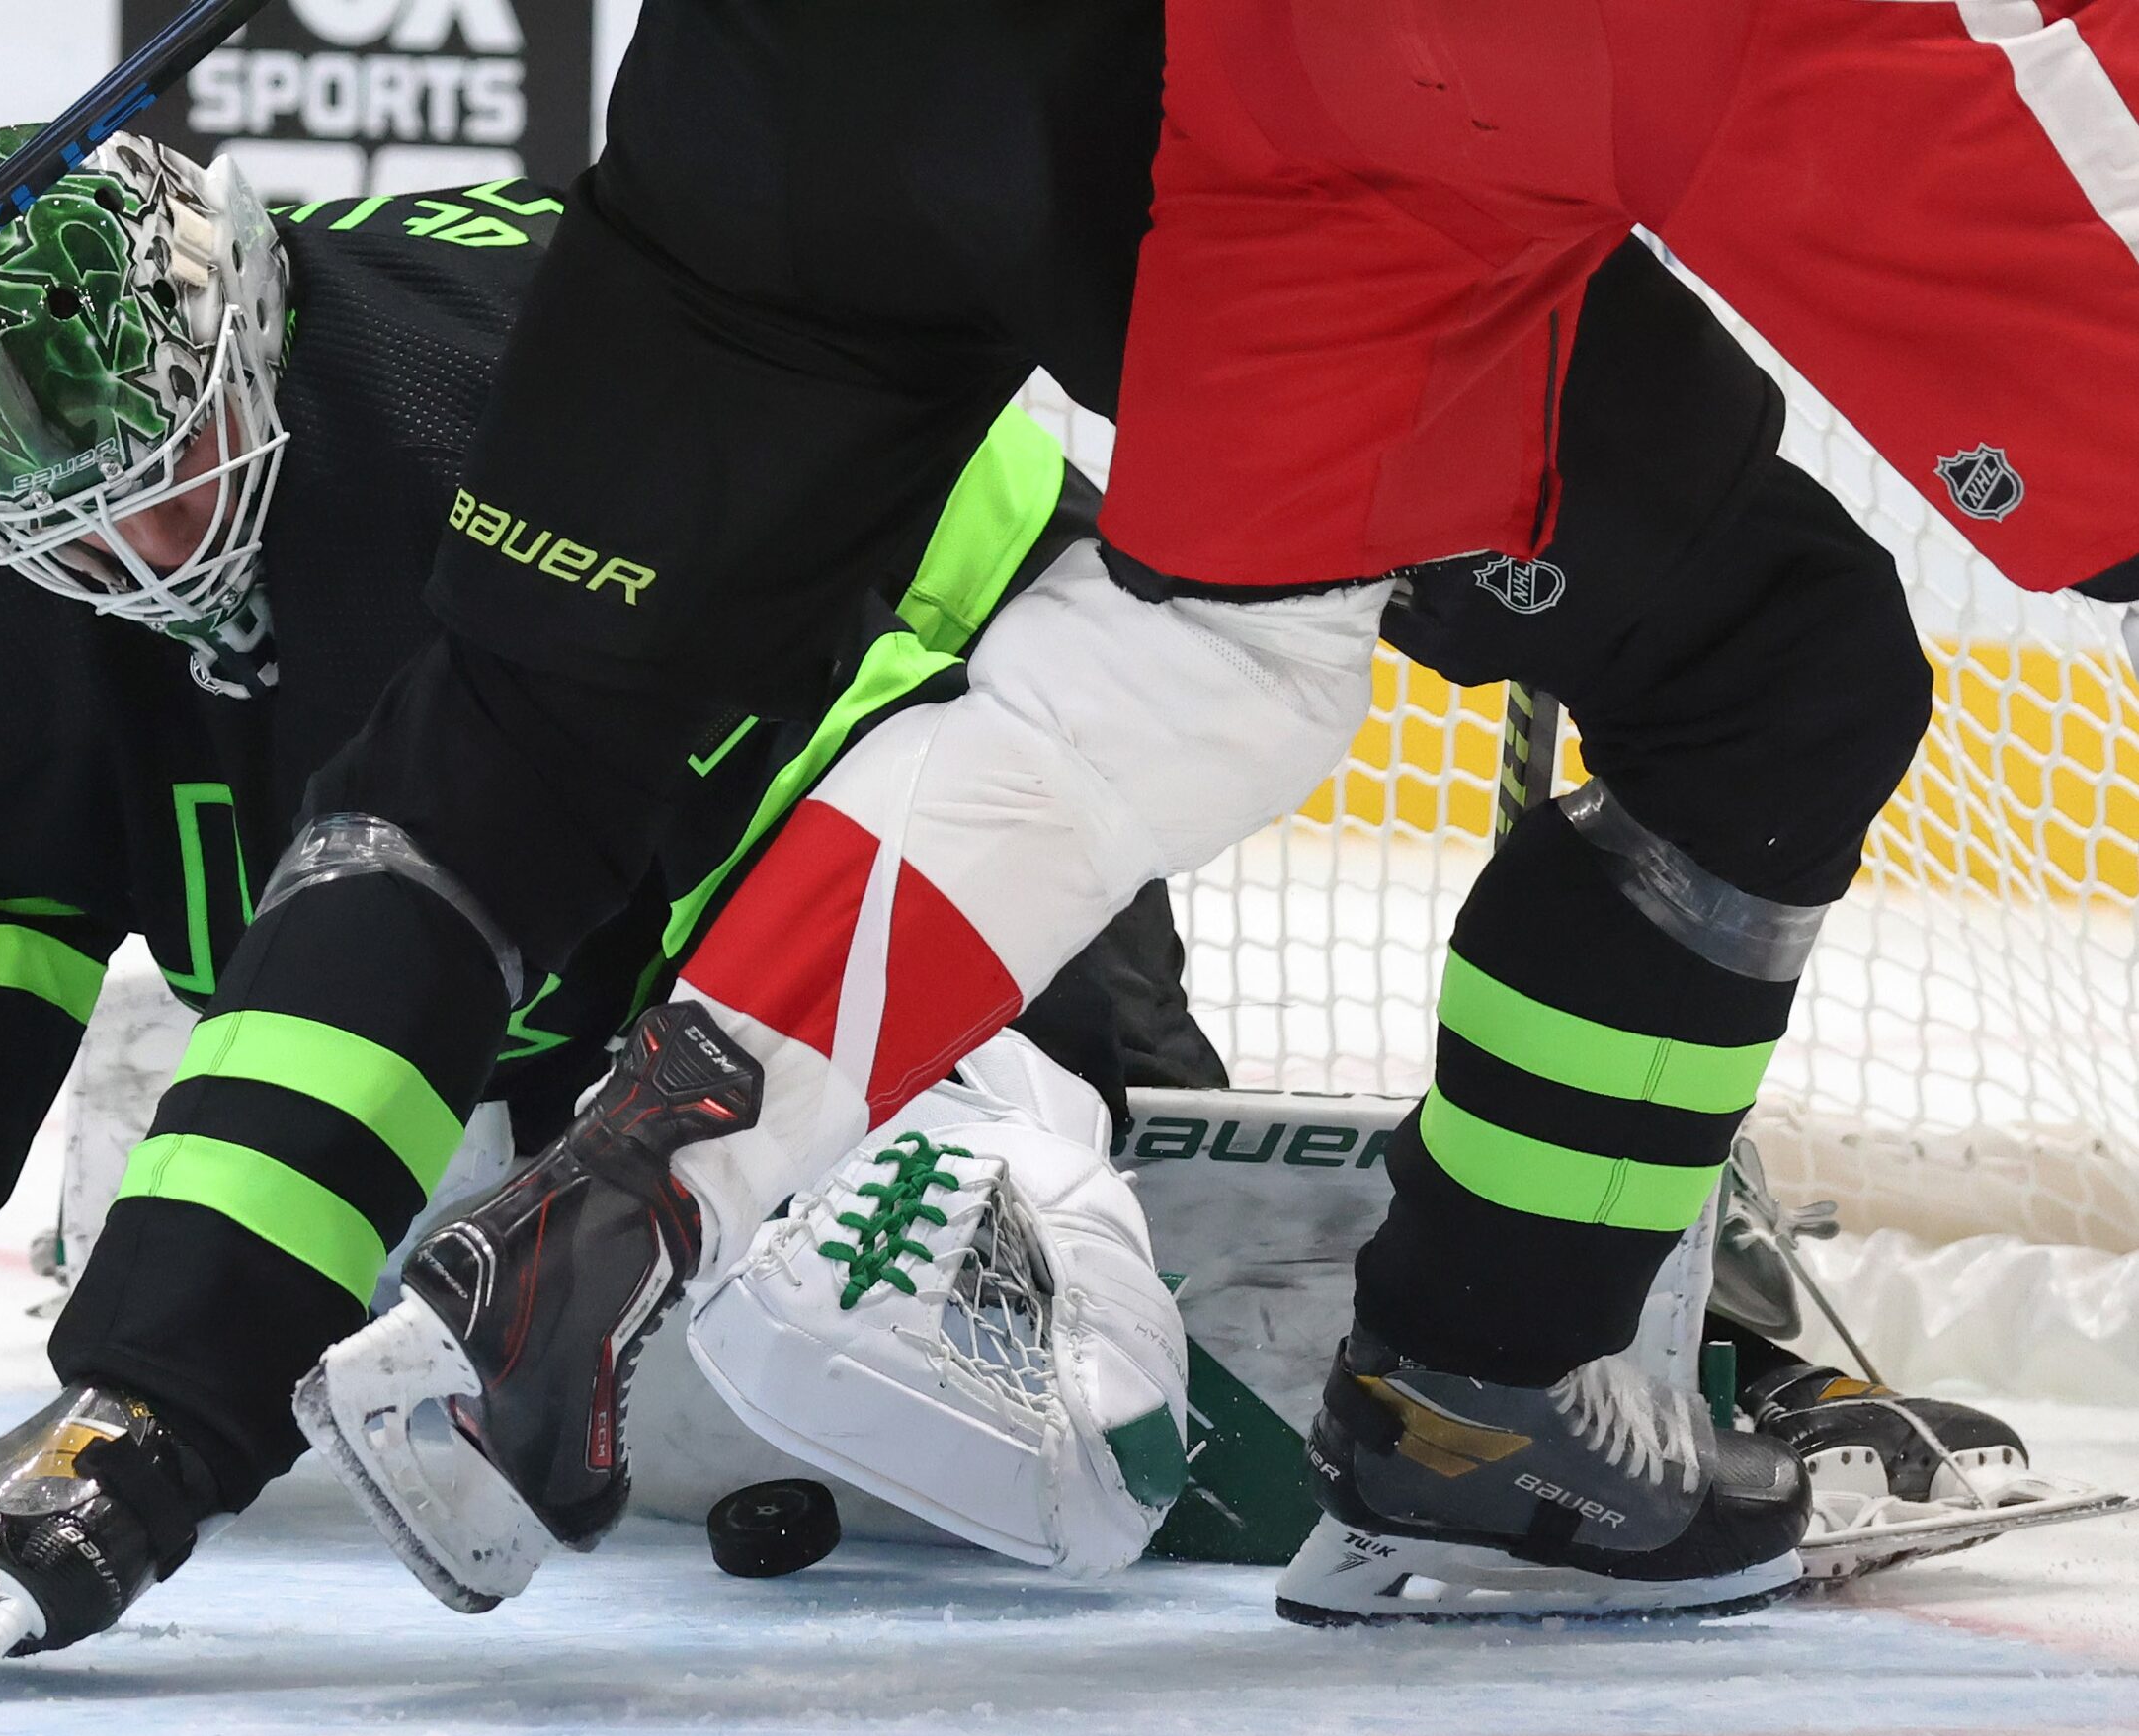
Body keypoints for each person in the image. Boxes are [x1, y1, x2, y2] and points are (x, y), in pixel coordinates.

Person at [0, 126, 1198, 1688]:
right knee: (336, 1263)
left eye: (176, 471)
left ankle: (1029, 1165)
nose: (145, 552)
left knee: (843, 1341)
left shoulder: (515, 390)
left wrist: (776, 1128)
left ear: (251, 312)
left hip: (899, 787)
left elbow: (924, 782)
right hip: (448, 974)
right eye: (68, 525)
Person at [289, 0, 1960, 1625]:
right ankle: (1478, 1394)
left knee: (563, 712)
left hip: (771, 83)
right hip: (1208, 91)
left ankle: (588, 1227)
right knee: (1764, 667)